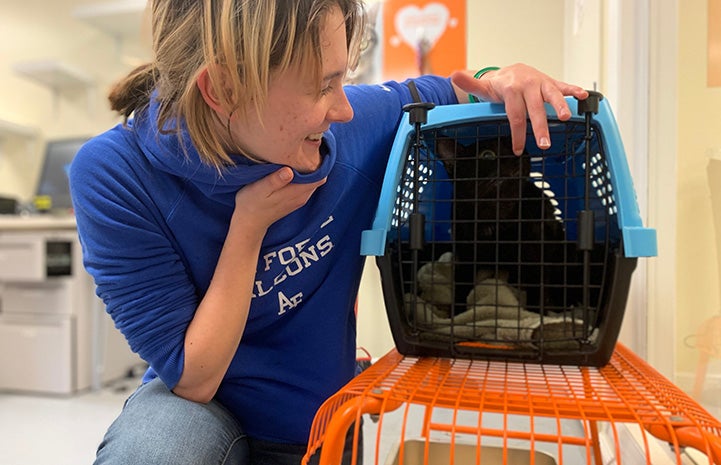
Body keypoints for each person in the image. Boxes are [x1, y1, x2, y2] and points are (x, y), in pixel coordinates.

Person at [68, 0, 589, 464]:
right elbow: (193, 377)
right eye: (323, 86)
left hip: (316, 416)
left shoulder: (357, 124)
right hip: (197, 406)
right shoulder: (115, 173)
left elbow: (460, 87)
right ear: (223, 88)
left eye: (343, 78)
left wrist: (504, 76)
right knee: (154, 451)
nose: (343, 107)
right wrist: (249, 226)